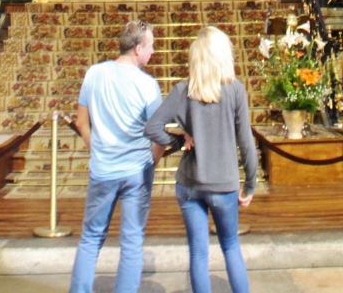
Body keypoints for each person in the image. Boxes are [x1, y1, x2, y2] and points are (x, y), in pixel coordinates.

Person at [144, 26, 257, 293]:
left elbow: (152, 128)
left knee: (198, 253)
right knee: (230, 248)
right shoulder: (235, 90)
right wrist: (250, 184)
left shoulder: (182, 90)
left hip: (190, 184)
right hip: (223, 184)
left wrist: (179, 138)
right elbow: (246, 143)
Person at [69, 20, 163, 293]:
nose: (153, 52)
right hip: (136, 170)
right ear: (137, 49)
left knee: (91, 238)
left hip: (103, 168)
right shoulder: (148, 85)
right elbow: (158, 134)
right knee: (132, 242)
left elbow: (81, 122)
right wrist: (153, 160)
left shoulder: (94, 74)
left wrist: (96, 146)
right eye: (151, 46)